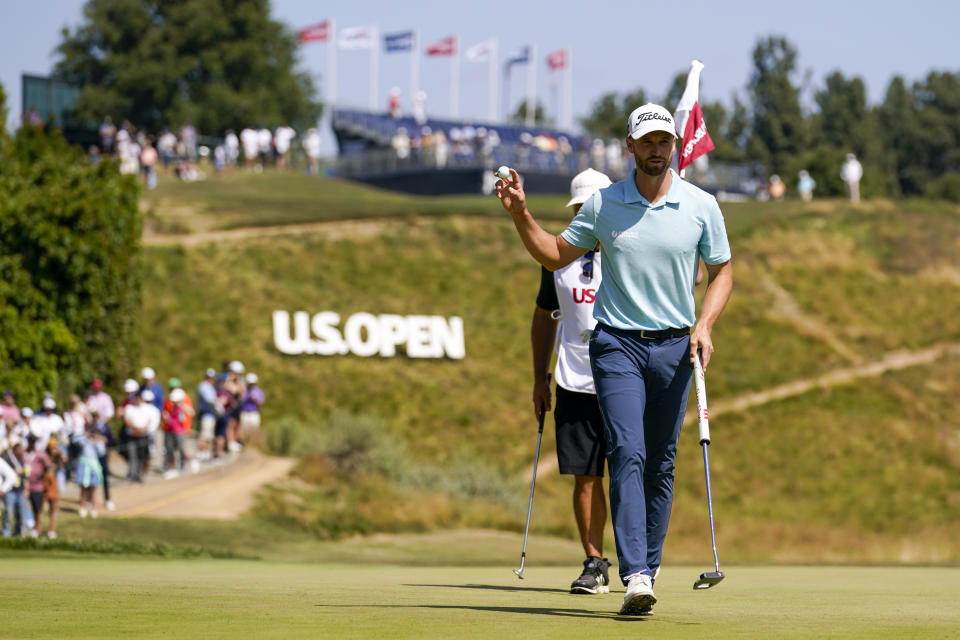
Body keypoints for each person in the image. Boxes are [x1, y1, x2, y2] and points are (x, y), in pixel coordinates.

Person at [494, 102, 733, 616]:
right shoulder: (604, 204)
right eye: (646, 142)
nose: (656, 150)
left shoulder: (700, 205)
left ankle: (648, 561)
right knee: (627, 451)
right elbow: (555, 253)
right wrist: (520, 214)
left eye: (663, 141)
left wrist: (706, 325)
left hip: (674, 346)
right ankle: (637, 576)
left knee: (661, 463)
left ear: (673, 145)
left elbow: (722, 271)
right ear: (629, 147)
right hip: (617, 344)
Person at [531, 168, 614, 594]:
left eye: (592, 208)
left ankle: (640, 563)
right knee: (586, 476)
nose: (585, 215)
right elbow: (544, 318)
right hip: (573, 379)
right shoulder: (558, 259)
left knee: (630, 474)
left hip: (624, 378)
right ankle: (595, 561)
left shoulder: (627, 250)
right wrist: (539, 378)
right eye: (580, 209)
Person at [74, 422, 106, 518]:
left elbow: (102, 452)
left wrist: (97, 442)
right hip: (84, 465)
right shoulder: (85, 440)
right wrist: (85, 435)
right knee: (83, 488)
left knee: (93, 489)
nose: (94, 434)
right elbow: (75, 440)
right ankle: (82, 506)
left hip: (94, 466)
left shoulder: (98, 443)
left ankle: (93, 508)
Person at [23, 434, 51, 537]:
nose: (31, 443)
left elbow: (48, 466)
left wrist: (43, 476)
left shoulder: (40, 454)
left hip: (37, 486)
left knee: (37, 509)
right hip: (25, 486)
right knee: (24, 508)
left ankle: (38, 529)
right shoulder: (24, 453)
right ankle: (26, 528)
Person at [239, 373, 265, 442]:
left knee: (254, 430)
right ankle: (244, 443)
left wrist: (255, 399)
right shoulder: (244, 390)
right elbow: (240, 399)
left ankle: (252, 444)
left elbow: (261, 402)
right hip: (244, 412)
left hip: (254, 413)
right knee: (244, 430)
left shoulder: (258, 391)